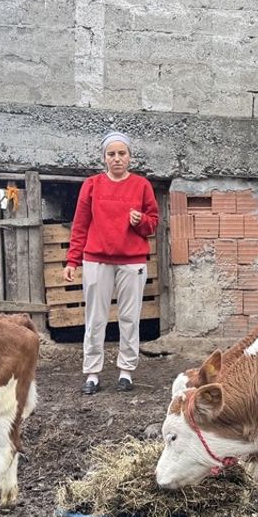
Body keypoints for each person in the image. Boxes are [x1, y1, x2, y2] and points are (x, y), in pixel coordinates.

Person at [63, 131, 160, 395]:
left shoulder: (142, 186)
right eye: (111, 154)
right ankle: (92, 372)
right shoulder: (92, 185)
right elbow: (80, 224)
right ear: (104, 158)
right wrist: (72, 260)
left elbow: (153, 222)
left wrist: (141, 221)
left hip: (132, 261)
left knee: (130, 317)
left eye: (122, 153)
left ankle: (126, 371)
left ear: (129, 157)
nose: (117, 159)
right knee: (95, 318)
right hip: (96, 260)